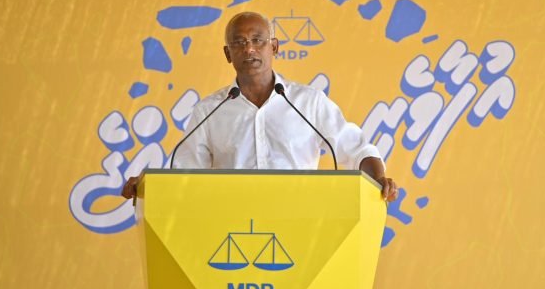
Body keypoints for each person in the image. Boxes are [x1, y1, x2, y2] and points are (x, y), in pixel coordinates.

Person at [122, 11, 398, 201]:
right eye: (239, 43)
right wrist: (146, 186)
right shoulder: (209, 111)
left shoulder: (307, 102)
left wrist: (379, 180)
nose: (249, 49)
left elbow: (355, 149)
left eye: (257, 40)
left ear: (274, 47)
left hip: (303, 220)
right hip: (230, 225)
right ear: (228, 54)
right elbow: (184, 173)